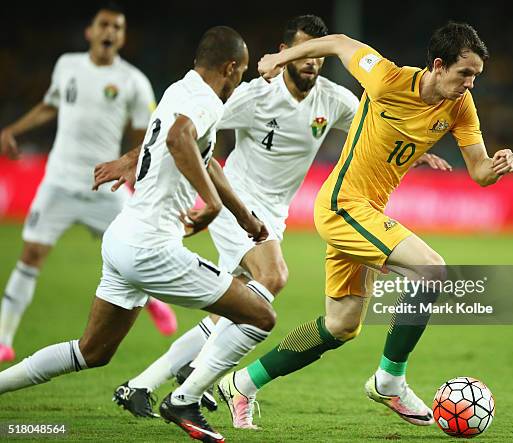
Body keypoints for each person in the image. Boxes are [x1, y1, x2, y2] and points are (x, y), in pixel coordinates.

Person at [93, 15, 451, 422]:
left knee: (237, 307)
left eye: (318, 56)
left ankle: (142, 384)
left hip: (274, 215)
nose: (312, 63)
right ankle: (195, 379)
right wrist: (130, 158)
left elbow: (378, 127)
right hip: (238, 204)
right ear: (285, 54)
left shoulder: (333, 100)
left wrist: (415, 150)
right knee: (273, 277)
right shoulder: (254, 95)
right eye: (304, 53)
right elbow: (183, 128)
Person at [216, 21, 513, 429]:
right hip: (343, 205)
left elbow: (479, 172)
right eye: (465, 73)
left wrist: (499, 165)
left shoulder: (460, 106)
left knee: (340, 326)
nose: (470, 84)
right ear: (439, 65)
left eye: (476, 76)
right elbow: (339, 43)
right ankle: (390, 381)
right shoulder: (387, 78)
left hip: (365, 215)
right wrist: (279, 57)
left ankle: (243, 382)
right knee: (431, 269)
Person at [0, 26, 277, 443]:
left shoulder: (179, 88)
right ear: (231, 67)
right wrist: (212, 205)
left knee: (91, 351)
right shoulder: (204, 101)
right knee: (260, 316)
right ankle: (185, 399)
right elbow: (179, 137)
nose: (239, 81)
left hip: (123, 238)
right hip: (153, 249)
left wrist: (245, 218)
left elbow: (203, 158)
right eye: (239, 73)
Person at [0, 4, 176, 364]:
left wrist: (129, 165)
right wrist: (14, 130)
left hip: (104, 185)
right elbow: (51, 105)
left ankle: (155, 301)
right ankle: (3, 338)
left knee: (139, 249)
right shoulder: (67, 66)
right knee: (31, 255)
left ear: (123, 37)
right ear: (90, 32)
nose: (110, 31)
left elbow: (148, 134)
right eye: (104, 25)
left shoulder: (133, 81)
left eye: (117, 27)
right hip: (58, 182)